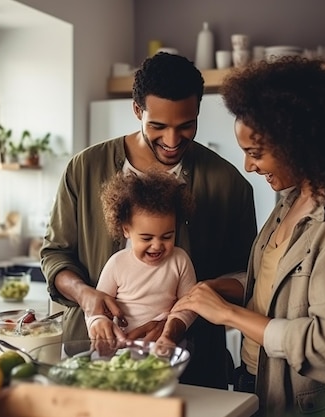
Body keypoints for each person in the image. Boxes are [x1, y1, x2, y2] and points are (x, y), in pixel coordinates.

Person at [172, 57, 325, 415]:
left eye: (256, 153)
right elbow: (275, 287)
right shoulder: (291, 201)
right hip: (259, 381)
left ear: (297, 142)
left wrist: (228, 316)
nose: (249, 166)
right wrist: (215, 289)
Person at [40, 52, 257, 389]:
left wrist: (178, 318)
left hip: (192, 370)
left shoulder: (229, 184)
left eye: (186, 125)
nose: (172, 141)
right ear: (137, 110)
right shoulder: (83, 170)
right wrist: (86, 296)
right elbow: (54, 255)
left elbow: (248, 277)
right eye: (158, 126)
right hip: (95, 362)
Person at [86, 169, 197, 346]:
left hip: (165, 348)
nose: (157, 245)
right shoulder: (117, 263)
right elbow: (97, 306)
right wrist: (98, 322)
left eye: (167, 236)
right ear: (126, 230)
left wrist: (169, 331)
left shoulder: (180, 260)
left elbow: (190, 306)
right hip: (121, 349)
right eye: (147, 238)